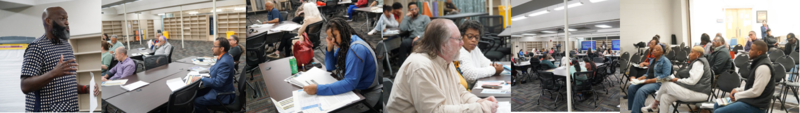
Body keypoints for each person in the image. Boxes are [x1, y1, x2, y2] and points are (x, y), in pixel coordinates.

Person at [386, 19, 498, 113]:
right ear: (443, 43)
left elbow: (459, 91)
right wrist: (479, 108)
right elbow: (434, 110)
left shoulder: (446, 60)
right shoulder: (420, 66)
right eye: (459, 39)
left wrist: (478, 101)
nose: (462, 43)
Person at [19, 7, 99, 112]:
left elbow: (65, 82)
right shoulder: (36, 47)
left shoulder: (66, 46)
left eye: (67, 19)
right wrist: (53, 73)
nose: (67, 22)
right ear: (48, 21)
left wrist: (85, 88)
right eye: (62, 19)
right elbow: (25, 85)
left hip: (70, 108)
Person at [302, 18, 378, 96]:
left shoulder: (356, 48)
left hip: (366, 94)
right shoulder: (345, 44)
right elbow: (330, 67)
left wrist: (317, 89)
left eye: (335, 36)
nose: (333, 41)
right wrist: (329, 47)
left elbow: (350, 83)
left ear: (344, 31)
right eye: (331, 38)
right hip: (357, 90)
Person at [641, 46, 712, 113]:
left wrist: (677, 80)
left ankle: (654, 105)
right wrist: (676, 79)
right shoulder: (697, 62)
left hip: (700, 93)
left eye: (692, 52)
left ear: (698, 54)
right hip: (694, 90)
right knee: (664, 97)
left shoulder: (699, 63)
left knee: (666, 84)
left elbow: (692, 81)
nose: (689, 54)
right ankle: (655, 106)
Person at [714, 40, 775, 113]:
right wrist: (738, 89)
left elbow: (756, 92)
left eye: (752, 49)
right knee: (717, 104)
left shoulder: (763, 67)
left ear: (759, 52)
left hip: (756, 106)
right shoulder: (758, 63)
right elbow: (752, 86)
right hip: (749, 100)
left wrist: (737, 95)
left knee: (718, 112)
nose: (749, 51)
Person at [187, 37, 235, 113]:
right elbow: (216, 69)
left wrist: (201, 78)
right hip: (220, 87)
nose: (212, 48)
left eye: (214, 46)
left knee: (197, 101)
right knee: (194, 93)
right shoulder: (226, 56)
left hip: (222, 93)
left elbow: (218, 83)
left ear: (222, 48)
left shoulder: (224, 62)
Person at [627, 43, 671, 113]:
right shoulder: (652, 60)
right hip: (649, 80)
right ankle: (635, 109)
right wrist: (639, 79)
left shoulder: (665, 61)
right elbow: (647, 74)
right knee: (631, 87)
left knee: (641, 91)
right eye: (654, 49)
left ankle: (636, 111)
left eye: (657, 49)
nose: (654, 50)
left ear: (662, 52)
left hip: (659, 83)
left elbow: (666, 76)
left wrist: (649, 81)